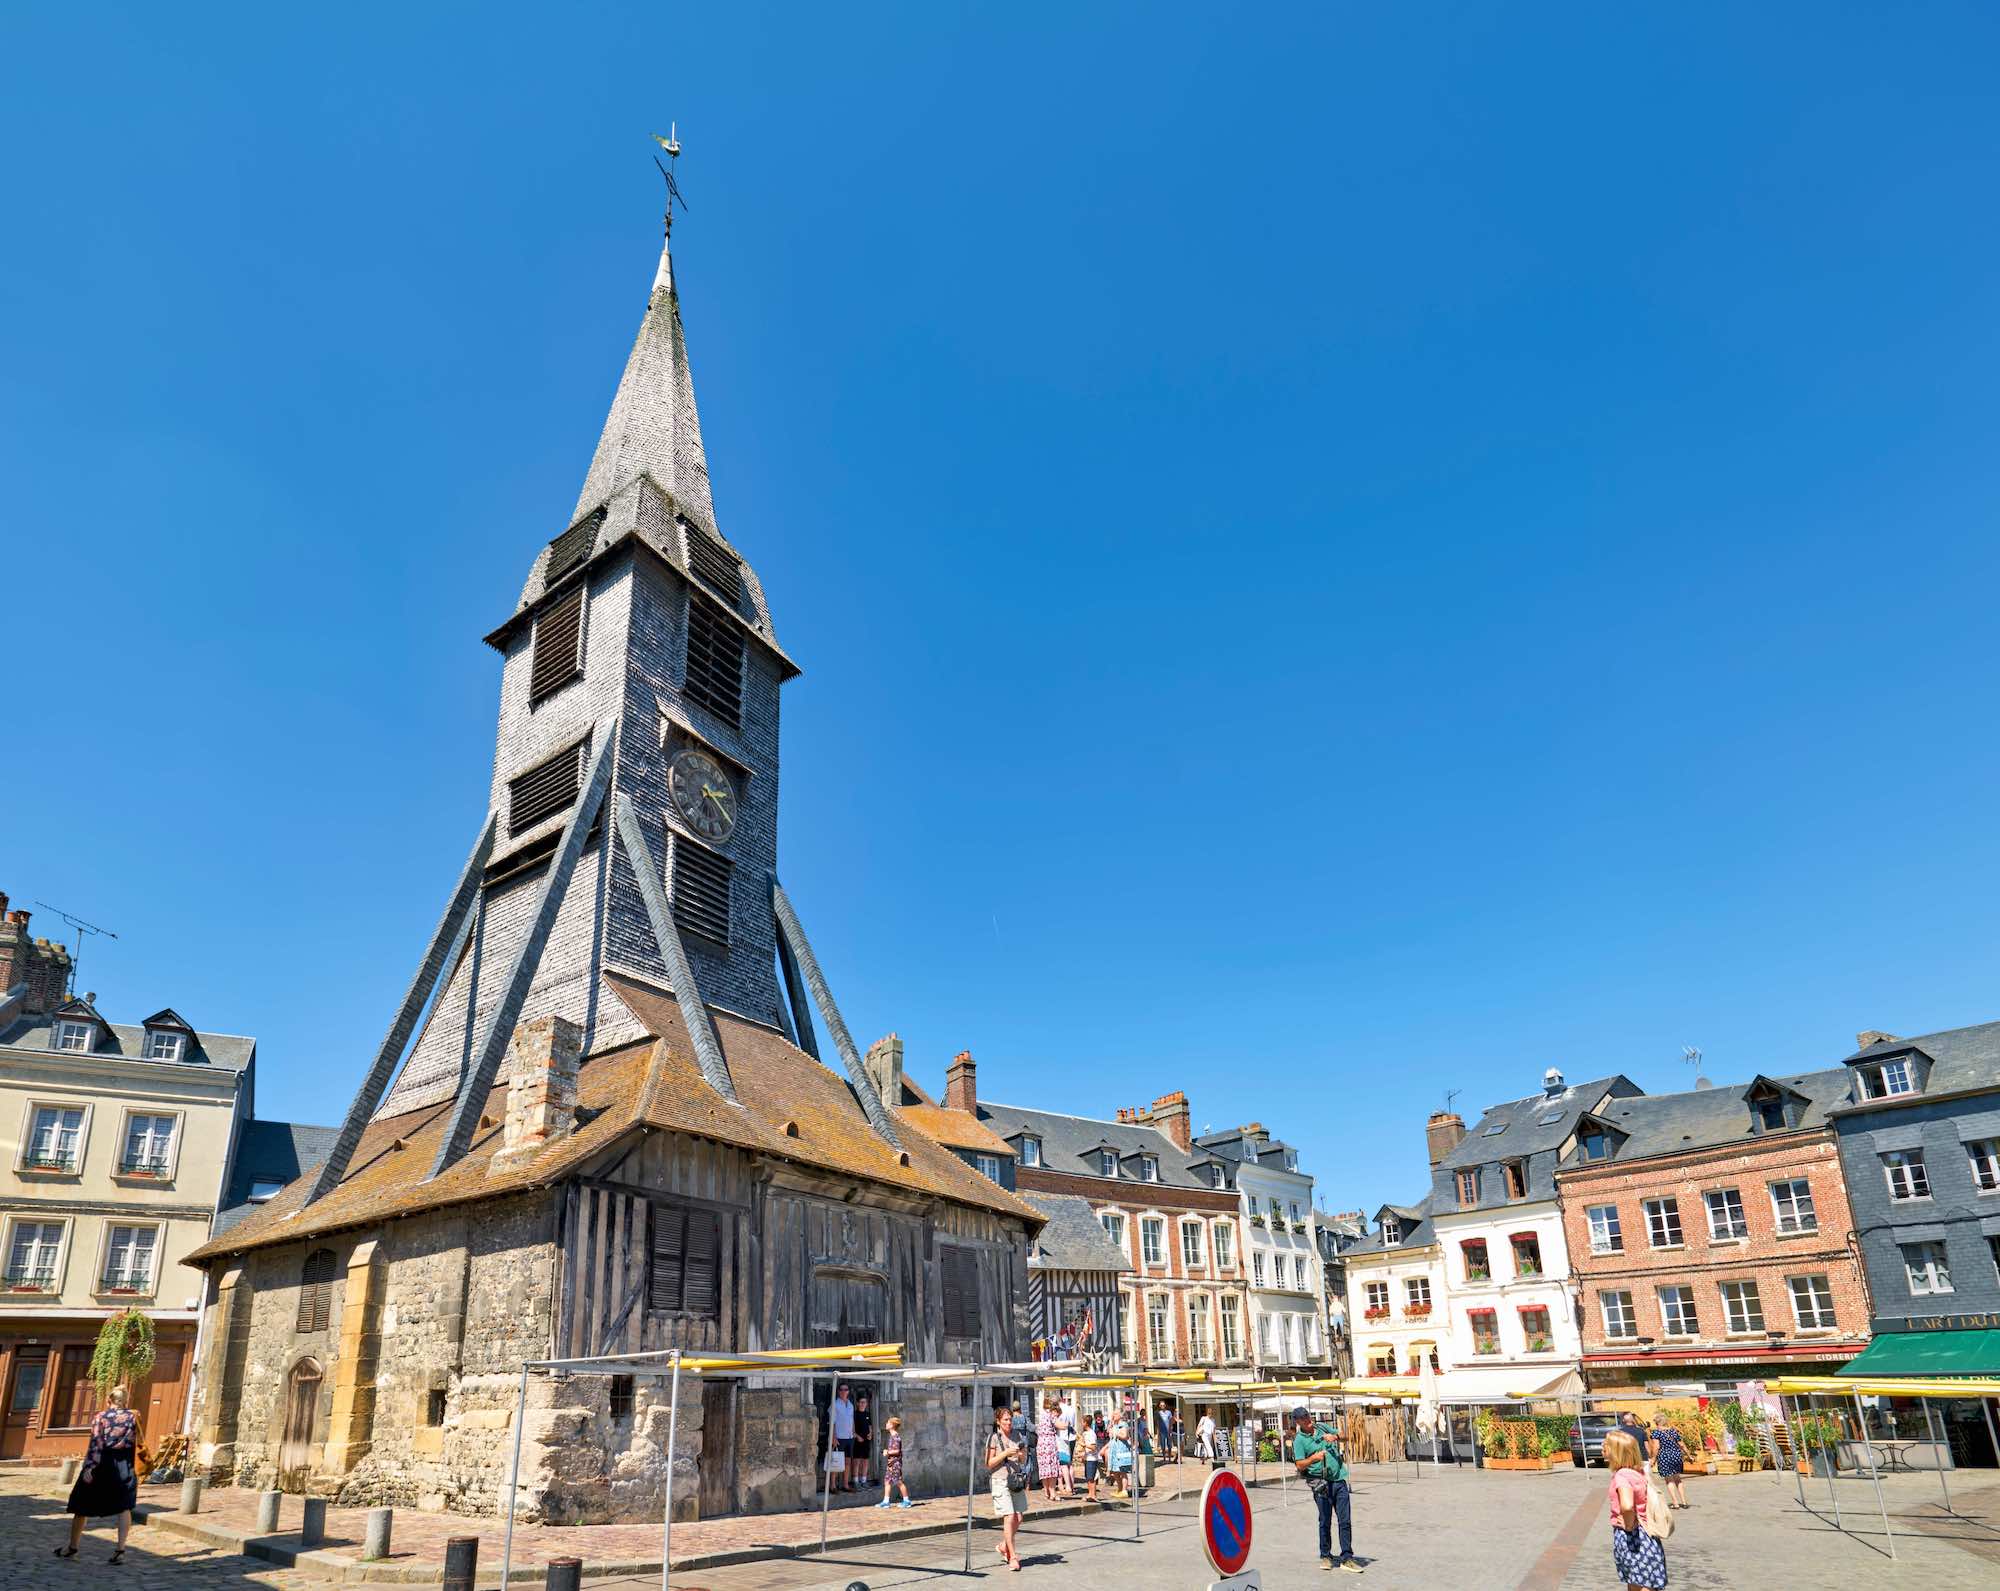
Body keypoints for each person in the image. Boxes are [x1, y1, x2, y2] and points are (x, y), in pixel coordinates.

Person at [57, 1385, 140, 1563]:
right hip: (124, 1464)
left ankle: (72, 1547)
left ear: (109, 1400)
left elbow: (96, 1444)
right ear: (125, 1400)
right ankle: (120, 1550)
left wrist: (89, 1467)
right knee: (124, 1507)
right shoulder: (132, 1418)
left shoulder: (100, 1417)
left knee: (81, 1506)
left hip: (102, 1463)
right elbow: (133, 1442)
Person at [1291, 1406, 1360, 1574]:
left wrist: (1335, 1436)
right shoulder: (1299, 1440)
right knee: (1325, 1520)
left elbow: (1347, 1437)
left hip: (1339, 1480)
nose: (1307, 1419)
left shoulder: (1322, 1427)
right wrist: (1313, 1458)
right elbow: (1299, 1464)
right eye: (1303, 1418)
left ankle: (1347, 1557)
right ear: (1297, 1421)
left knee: (1345, 1520)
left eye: (1307, 1415)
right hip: (1320, 1483)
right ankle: (1326, 1555)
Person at [1603, 1429, 1667, 1589]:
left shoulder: (1622, 1476)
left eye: (1607, 1445)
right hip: (1647, 1533)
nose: (1603, 1447)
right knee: (1642, 1580)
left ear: (1617, 1451)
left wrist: (1628, 1524)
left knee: (1639, 1583)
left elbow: (1627, 1505)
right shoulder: (1636, 1472)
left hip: (1632, 1536)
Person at [986, 1403, 1029, 1573]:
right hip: (1000, 1480)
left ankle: (1004, 1545)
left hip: (1015, 1480)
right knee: (1010, 1516)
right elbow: (989, 1463)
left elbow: (1023, 1459)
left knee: (1019, 1518)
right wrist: (1005, 1454)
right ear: (998, 1421)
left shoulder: (1017, 1435)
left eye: (1010, 1420)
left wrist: (1021, 1455)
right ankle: (1012, 1556)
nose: (1009, 1423)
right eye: (1005, 1420)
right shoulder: (993, 1438)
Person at [1648, 1412, 1689, 1510]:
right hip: (1676, 1456)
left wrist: (1653, 1459)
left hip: (1665, 1457)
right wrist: (1689, 1455)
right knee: (1678, 1479)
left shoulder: (1656, 1433)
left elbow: (1656, 1447)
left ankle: (1675, 1503)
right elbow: (1682, 1445)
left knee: (1669, 1480)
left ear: (1656, 1422)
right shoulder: (1674, 1431)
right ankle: (1684, 1501)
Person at [876, 1415, 913, 1508]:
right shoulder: (892, 1436)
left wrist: (887, 1452)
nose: (886, 1424)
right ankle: (886, 1501)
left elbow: (897, 1451)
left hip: (895, 1463)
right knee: (887, 1481)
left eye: (888, 1423)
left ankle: (907, 1501)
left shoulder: (895, 1437)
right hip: (891, 1463)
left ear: (892, 1425)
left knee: (898, 1481)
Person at [828, 1384, 856, 1493]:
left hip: (849, 1437)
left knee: (847, 1462)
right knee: (836, 1462)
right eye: (842, 1389)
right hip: (839, 1437)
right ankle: (832, 1486)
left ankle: (845, 1484)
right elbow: (832, 1422)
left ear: (848, 1391)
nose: (844, 1391)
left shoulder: (850, 1405)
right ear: (838, 1391)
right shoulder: (835, 1404)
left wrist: (853, 1432)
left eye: (846, 1389)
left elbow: (852, 1419)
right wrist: (833, 1437)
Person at [849, 1391, 875, 1493]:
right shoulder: (854, 1414)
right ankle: (856, 1482)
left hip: (866, 1441)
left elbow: (870, 1427)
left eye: (865, 1402)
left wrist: (870, 1434)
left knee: (865, 1461)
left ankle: (864, 1481)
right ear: (857, 1403)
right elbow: (852, 1428)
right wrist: (857, 1436)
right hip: (857, 1441)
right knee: (856, 1462)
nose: (863, 1404)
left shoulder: (867, 1414)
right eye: (861, 1402)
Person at [1105, 1420, 1133, 1497]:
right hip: (1114, 1451)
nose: (1113, 1416)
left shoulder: (1123, 1424)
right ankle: (1120, 1489)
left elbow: (1125, 1436)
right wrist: (1110, 1428)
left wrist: (1116, 1433)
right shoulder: (1114, 1425)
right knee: (1115, 1471)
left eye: (1115, 1414)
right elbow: (1110, 1435)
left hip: (1121, 1450)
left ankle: (1124, 1490)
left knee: (1123, 1471)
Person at [1081, 1410, 1102, 1501]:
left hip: (1092, 1459)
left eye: (1082, 1422)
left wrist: (1084, 1445)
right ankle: (1090, 1494)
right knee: (1088, 1477)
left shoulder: (1091, 1434)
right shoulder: (1085, 1433)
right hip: (1087, 1458)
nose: (1081, 1424)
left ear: (1086, 1423)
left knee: (1091, 1478)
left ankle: (1093, 1495)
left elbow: (1093, 1447)